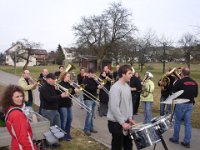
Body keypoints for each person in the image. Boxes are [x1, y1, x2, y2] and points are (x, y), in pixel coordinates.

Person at [107, 64, 136, 150]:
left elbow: (130, 104)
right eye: (129, 73)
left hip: (126, 122)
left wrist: (130, 118)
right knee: (117, 147)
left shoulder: (127, 87)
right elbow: (114, 108)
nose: (131, 75)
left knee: (128, 146)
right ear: (123, 74)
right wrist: (122, 123)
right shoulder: (115, 88)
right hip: (116, 123)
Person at [1, 85, 38, 150]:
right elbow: (23, 138)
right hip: (22, 146)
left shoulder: (9, 109)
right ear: (10, 98)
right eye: (17, 97)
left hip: (16, 144)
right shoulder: (17, 114)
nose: (20, 98)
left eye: (21, 96)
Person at [169, 67, 198, 148]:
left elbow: (173, 93)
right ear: (189, 73)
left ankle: (175, 138)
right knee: (188, 123)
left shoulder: (179, 82)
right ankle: (187, 142)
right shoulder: (194, 82)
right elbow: (195, 95)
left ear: (182, 73)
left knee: (177, 122)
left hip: (181, 104)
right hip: (190, 104)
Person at [58, 72, 79, 141]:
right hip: (62, 105)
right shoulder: (60, 84)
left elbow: (74, 92)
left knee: (69, 119)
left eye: (69, 77)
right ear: (64, 76)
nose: (68, 78)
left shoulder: (70, 84)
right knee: (64, 120)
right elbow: (60, 95)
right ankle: (62, 135)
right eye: (67, 76)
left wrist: (74, 88)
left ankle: (68, 134)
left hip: (69, 105)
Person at [82, 69, 99, 136]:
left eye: (93, 73)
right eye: (91, 73)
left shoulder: (94, 80)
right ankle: (86, 129)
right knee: (89, 115)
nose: (93, 74)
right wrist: (97, 87)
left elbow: (99, 84)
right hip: (88, 99)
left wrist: (97, 81)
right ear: (88, 73)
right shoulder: (85, 80)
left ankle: (91, 128)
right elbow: (89, 89)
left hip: (94, 98)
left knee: (92, 114)